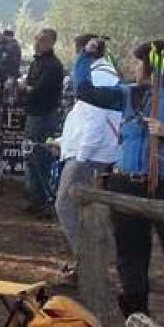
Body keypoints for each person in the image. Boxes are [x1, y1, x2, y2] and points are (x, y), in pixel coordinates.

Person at [72, 39, 164, 319]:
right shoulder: (130, 94)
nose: (133, 67)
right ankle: (137, 319)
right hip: (125, 183)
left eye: (137, 62)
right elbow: (85, 91)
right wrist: (86, 56)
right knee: (130, 255)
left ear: (151, 65)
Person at [55, 36, 122, 259]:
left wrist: (81, 157)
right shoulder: (102, 72)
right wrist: (64, 143)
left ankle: (86, 260)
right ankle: (86, 260)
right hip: (90, 151)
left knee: (66, 206)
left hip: (90, 155)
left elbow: (96, 118)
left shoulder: (100, 74)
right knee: (82, 209)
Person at [22, 28, 66, 217]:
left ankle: (44, 200)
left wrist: (25, 88)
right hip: (33, 114)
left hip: (44, 115)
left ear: (51, 43)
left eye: (42, 40)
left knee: (41, 158)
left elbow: (38, 89)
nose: (37, 43)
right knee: (31, 157)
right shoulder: (37, 62)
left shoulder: (53, 66)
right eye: (36, 39)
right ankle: (34, 198)